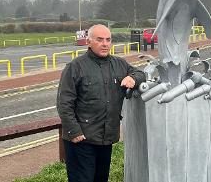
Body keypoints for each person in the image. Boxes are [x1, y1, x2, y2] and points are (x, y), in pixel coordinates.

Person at [57, 24, 146, 182]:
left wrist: (133, 78)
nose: (105, 44)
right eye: (100, 40)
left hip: (106, 138)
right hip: (82, 140)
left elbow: (140, 73)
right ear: (89, 42)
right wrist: (74, 132)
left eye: (108, 40)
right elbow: (64, 103)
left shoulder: (119, 64)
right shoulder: (75, 67)